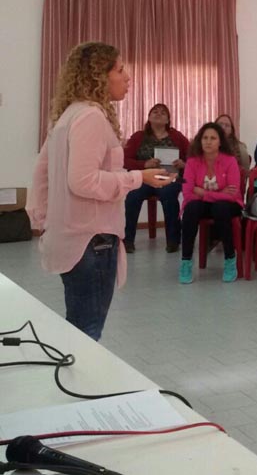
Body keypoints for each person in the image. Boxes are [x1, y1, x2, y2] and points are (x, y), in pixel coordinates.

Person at [27, 42, 172, 340]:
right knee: (86, 333)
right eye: (119, 69)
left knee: (79, 328)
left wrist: (45, 221)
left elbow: (41, 174)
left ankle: (75, 383)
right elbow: (82, 181)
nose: (128, 76)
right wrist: (137, 177)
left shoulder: (67, 116)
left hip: (74, 238)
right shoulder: (90, 117)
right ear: (98, 76)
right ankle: (77, 386)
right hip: (91, 241)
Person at [179, 123, 244, 284]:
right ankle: (186, 261)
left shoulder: (230, 161)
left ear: (220, 142)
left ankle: (230, 260)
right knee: (191, 209)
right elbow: (188, 193)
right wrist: (218, 194)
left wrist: (204, 193)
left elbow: (233, 194)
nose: (208, 142)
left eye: (213, 138)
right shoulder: (192, 162)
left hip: (229, 205)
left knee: (221, 208)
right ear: (200, 141)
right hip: (201, 203)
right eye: (205, 138)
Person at [122, 103, 189, 253]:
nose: (158, 114)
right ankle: (127, 240)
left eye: (163, 112)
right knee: (133, 196)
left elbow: (193, 157)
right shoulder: (138, 136)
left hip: (169, 178)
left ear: (168, 120)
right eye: (155, 111)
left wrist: (183, 163)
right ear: (149, 117)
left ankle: (173, 240)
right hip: (144, 178)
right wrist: (144, 163)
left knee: (169, 194)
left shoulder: (177, 136)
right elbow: (125, 160)